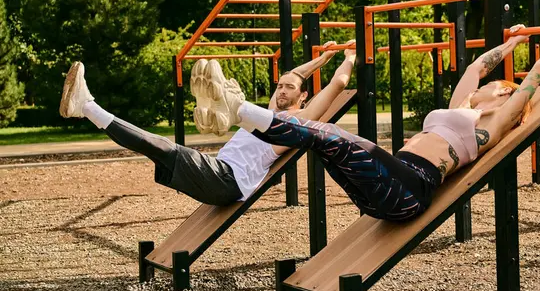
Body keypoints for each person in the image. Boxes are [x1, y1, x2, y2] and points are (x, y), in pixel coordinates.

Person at [197, 21, 540, 222]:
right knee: (319, 141)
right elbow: (480, 65)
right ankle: (238, 113)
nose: (486, 84)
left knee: (329, 135)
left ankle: (238, 111)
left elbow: (538, 74)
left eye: (496, 86)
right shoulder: (460, 104)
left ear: (501, 94)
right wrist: (512, 43)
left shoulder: (494, 124)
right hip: (382, 188)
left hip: (409, 191)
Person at [59, 40, 357, 206]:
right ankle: (227, 106)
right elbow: (294, 73)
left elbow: (339, 84)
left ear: (303, 97)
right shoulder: (271, 113)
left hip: (228, 181)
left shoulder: (299, 122)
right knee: (156, 147)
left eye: (289, 88)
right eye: (279, 85)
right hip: (218, 171)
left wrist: (349, 56)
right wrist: (323, 57)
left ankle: (86, 106)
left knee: (159, 144)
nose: (281, 90)